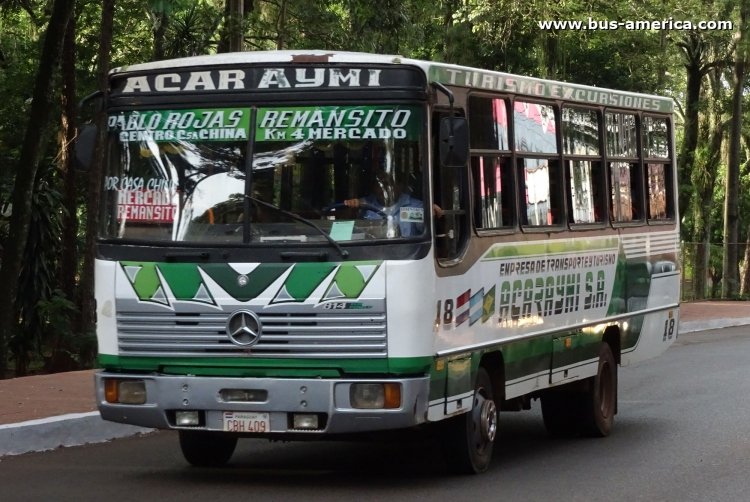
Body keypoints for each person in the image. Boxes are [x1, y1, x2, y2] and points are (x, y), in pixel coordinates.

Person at [344, 170, 430, 237]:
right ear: (374, 187)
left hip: (406, 256)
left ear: (400, 186)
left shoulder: (414, 206)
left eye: (388, 184)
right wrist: (351, 211)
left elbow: (425, 229)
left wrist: (429, 212)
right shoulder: (364, 205)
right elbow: (348, 231)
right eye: (379, 184)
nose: (384, 189)